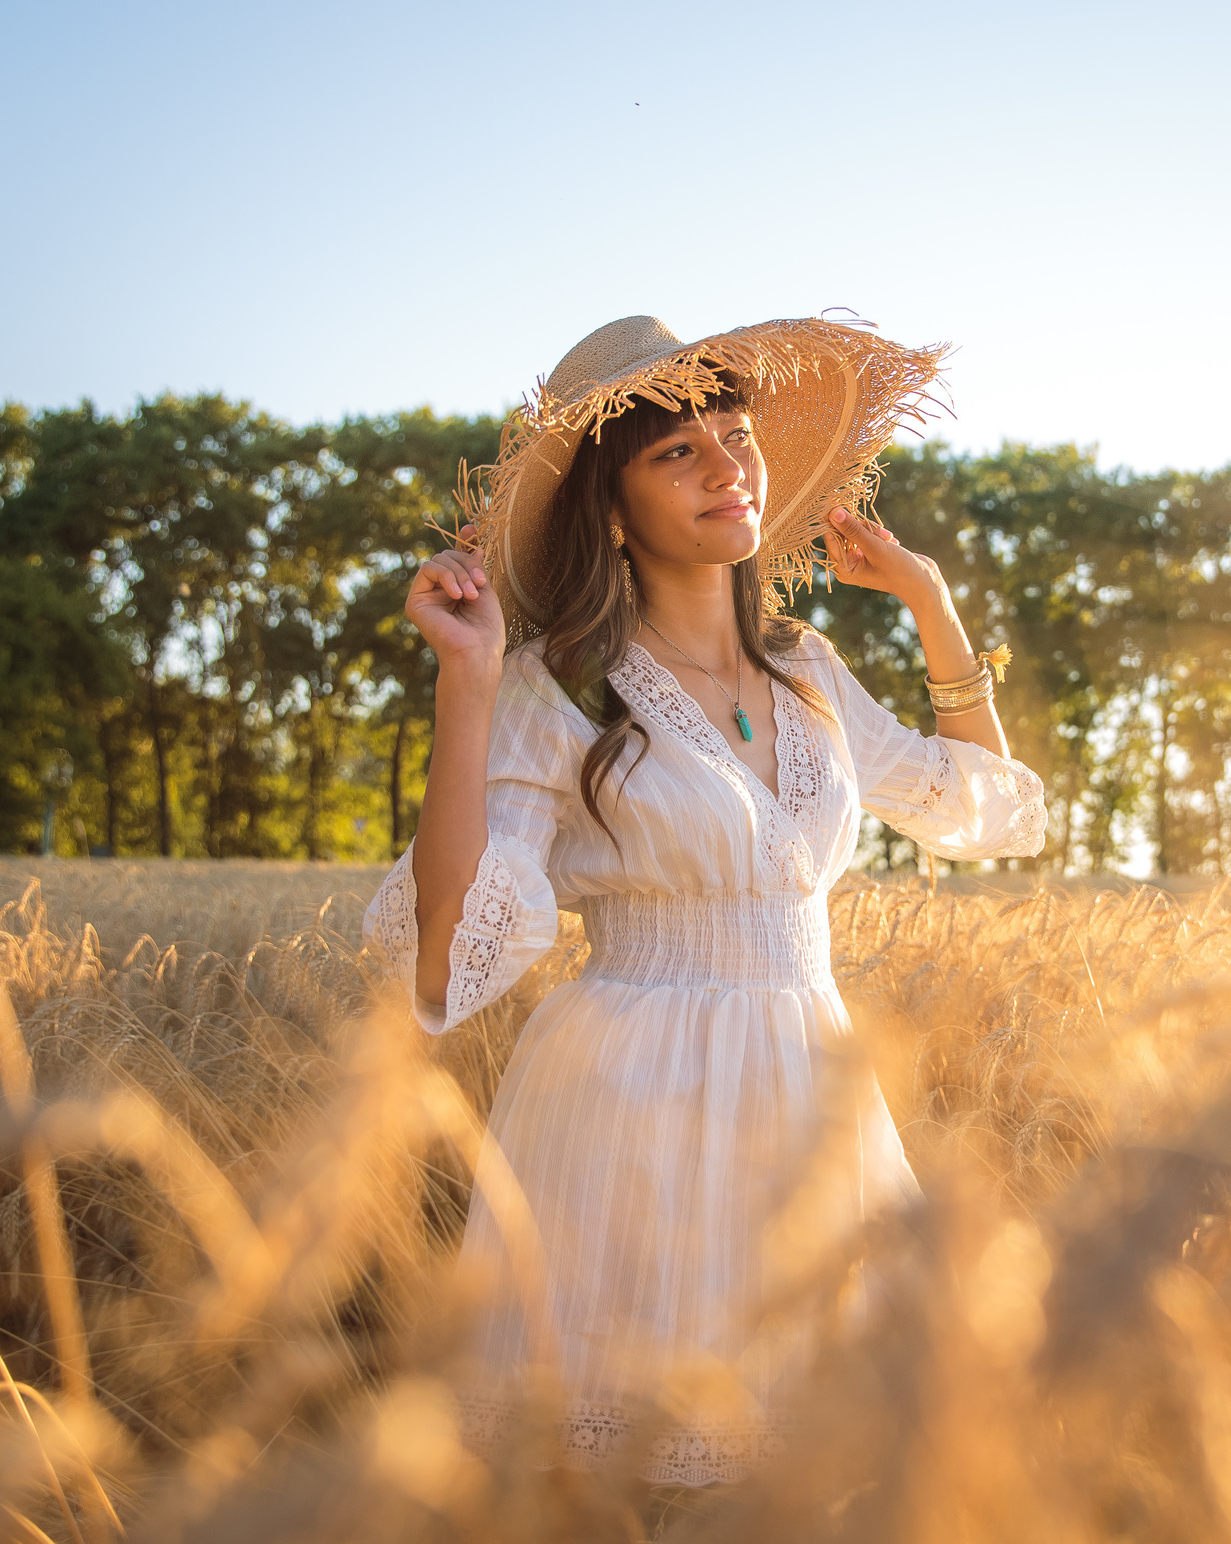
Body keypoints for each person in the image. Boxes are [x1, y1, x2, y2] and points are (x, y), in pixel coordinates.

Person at [362, 314, 1047, 1487]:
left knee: (820, 1477)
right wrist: (466, 686)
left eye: (735, 436)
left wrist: (931, 601)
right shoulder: (556, 682)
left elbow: (985, 812)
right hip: (625, 1104)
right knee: (629, 1485)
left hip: (807, 1096)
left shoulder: (807, 670)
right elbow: (443, 955)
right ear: (609, 506)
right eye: (675, 452)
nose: (727, 465)